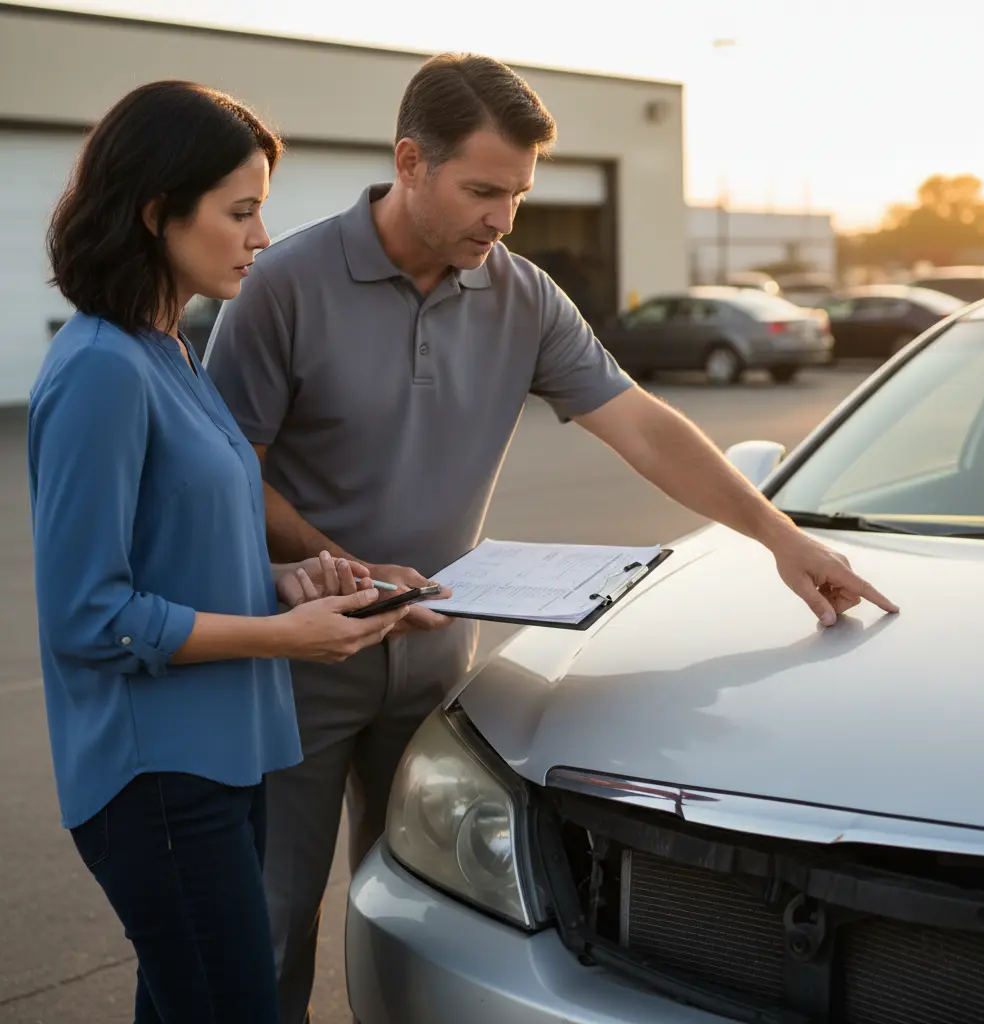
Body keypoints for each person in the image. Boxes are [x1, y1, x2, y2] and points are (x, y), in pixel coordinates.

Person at [204, 53, 899, 1023]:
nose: (504, 219)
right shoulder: (282, 284)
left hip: (438, 654)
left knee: (423, 910)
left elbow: (643, 426)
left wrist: (780, 537)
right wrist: (347, 568)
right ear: (410, 162)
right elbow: (225, 471)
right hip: (299, 660)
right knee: (273, 921)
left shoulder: (523, 296)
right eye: (483, 191)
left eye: (519, 195)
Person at [29, 80, 411, 1024]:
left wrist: (287, 583)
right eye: (240, 212)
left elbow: (176, 551)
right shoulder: (101, 370)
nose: (261, 236)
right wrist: (287, 638)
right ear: (156, 210)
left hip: (225, 760)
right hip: (157, 783)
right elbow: (89, 616)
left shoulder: (170, 350)